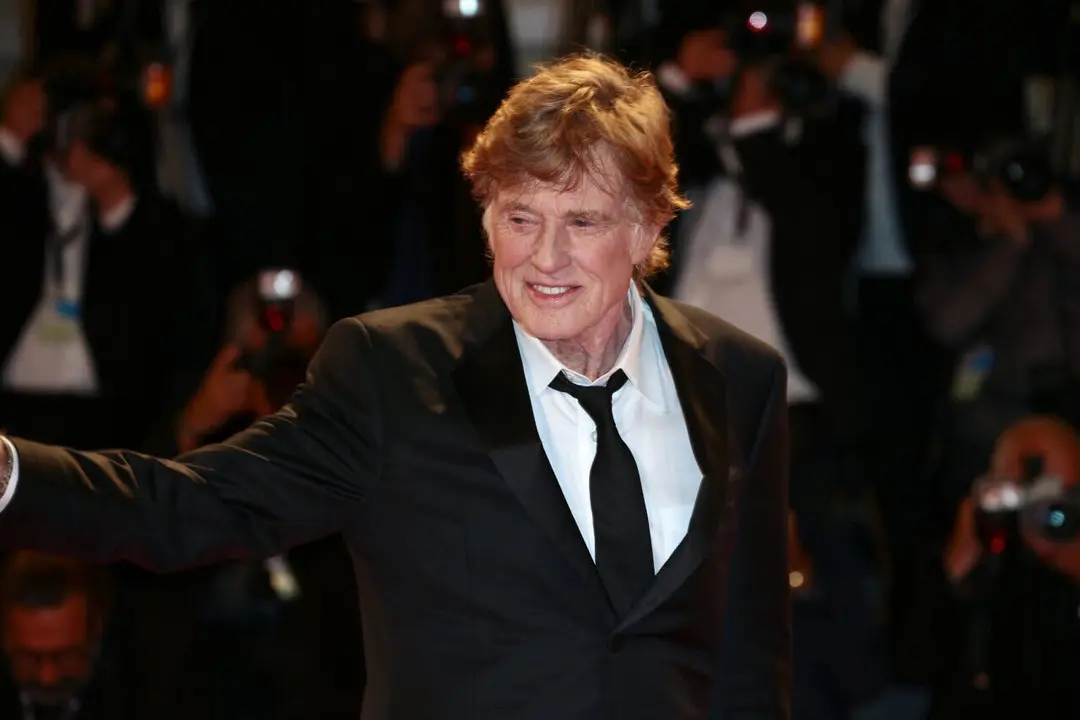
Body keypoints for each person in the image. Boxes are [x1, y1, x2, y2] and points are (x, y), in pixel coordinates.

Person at [0, 54, 791, 719]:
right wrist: (10, 474)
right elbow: (193, 504)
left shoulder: (737, 377)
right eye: (520, 219)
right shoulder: (392, 370)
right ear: (484, 219)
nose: (545, 259)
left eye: (581, 222)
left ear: (648, 228)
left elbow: (751, 657)